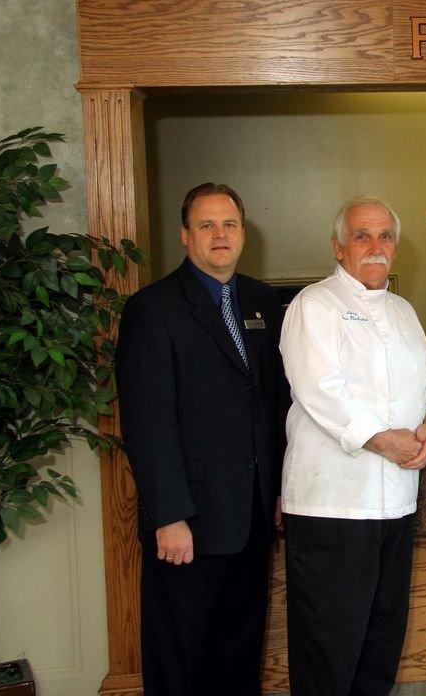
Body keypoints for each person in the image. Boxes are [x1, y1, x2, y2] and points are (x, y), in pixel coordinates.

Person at [116, 182, 289, 696]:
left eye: (230, 224)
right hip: (188, 523)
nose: (220, 235)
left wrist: (280, 489)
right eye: (207, 225)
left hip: (252, 516)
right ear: (185, 236)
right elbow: (147, 423)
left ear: (243, 234)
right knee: (181, 657)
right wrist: (169, 515)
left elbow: (274, 404)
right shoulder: (153, 309)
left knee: (239, 651)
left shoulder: (262, 301)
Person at [279, 195, 426, 696]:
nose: (375, 246)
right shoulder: (314, 305)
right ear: (338, 246)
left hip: (396, 504)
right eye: (362, 236)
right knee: (329, 649)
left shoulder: (404, 310)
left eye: (386, 236)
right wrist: (383, 440)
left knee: (380, 643)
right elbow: (320, 390)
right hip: (333, 507)